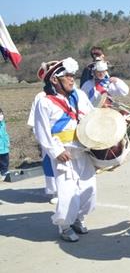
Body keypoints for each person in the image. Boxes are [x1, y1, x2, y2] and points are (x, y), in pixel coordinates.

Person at [32, 58, 95, 242]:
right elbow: (41, 130)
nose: (71, 79)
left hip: (83, 150)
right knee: (68, 192)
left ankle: (77, 219)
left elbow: (91, 116)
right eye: (67, 76)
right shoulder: (44, 102)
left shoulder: (79, 95)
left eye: (72, 76)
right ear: (54, 80)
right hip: (63, 153)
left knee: (88, 190)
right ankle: (65, 226)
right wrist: (55, 151)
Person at [28, 62, 59, 203]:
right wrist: (42, 138)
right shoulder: (41, 96)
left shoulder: (69, 92)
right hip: (49, 137)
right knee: (50, 163)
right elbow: (35, 120)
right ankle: (54, 191)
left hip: (67, 136)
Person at [0, 107, 9, 177]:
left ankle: (5, 171)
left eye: (1, 114)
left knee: (5, 160)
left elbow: (5, 134)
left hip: (5, 147)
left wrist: (7, 142)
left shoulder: (3, 124)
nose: (1, 116)